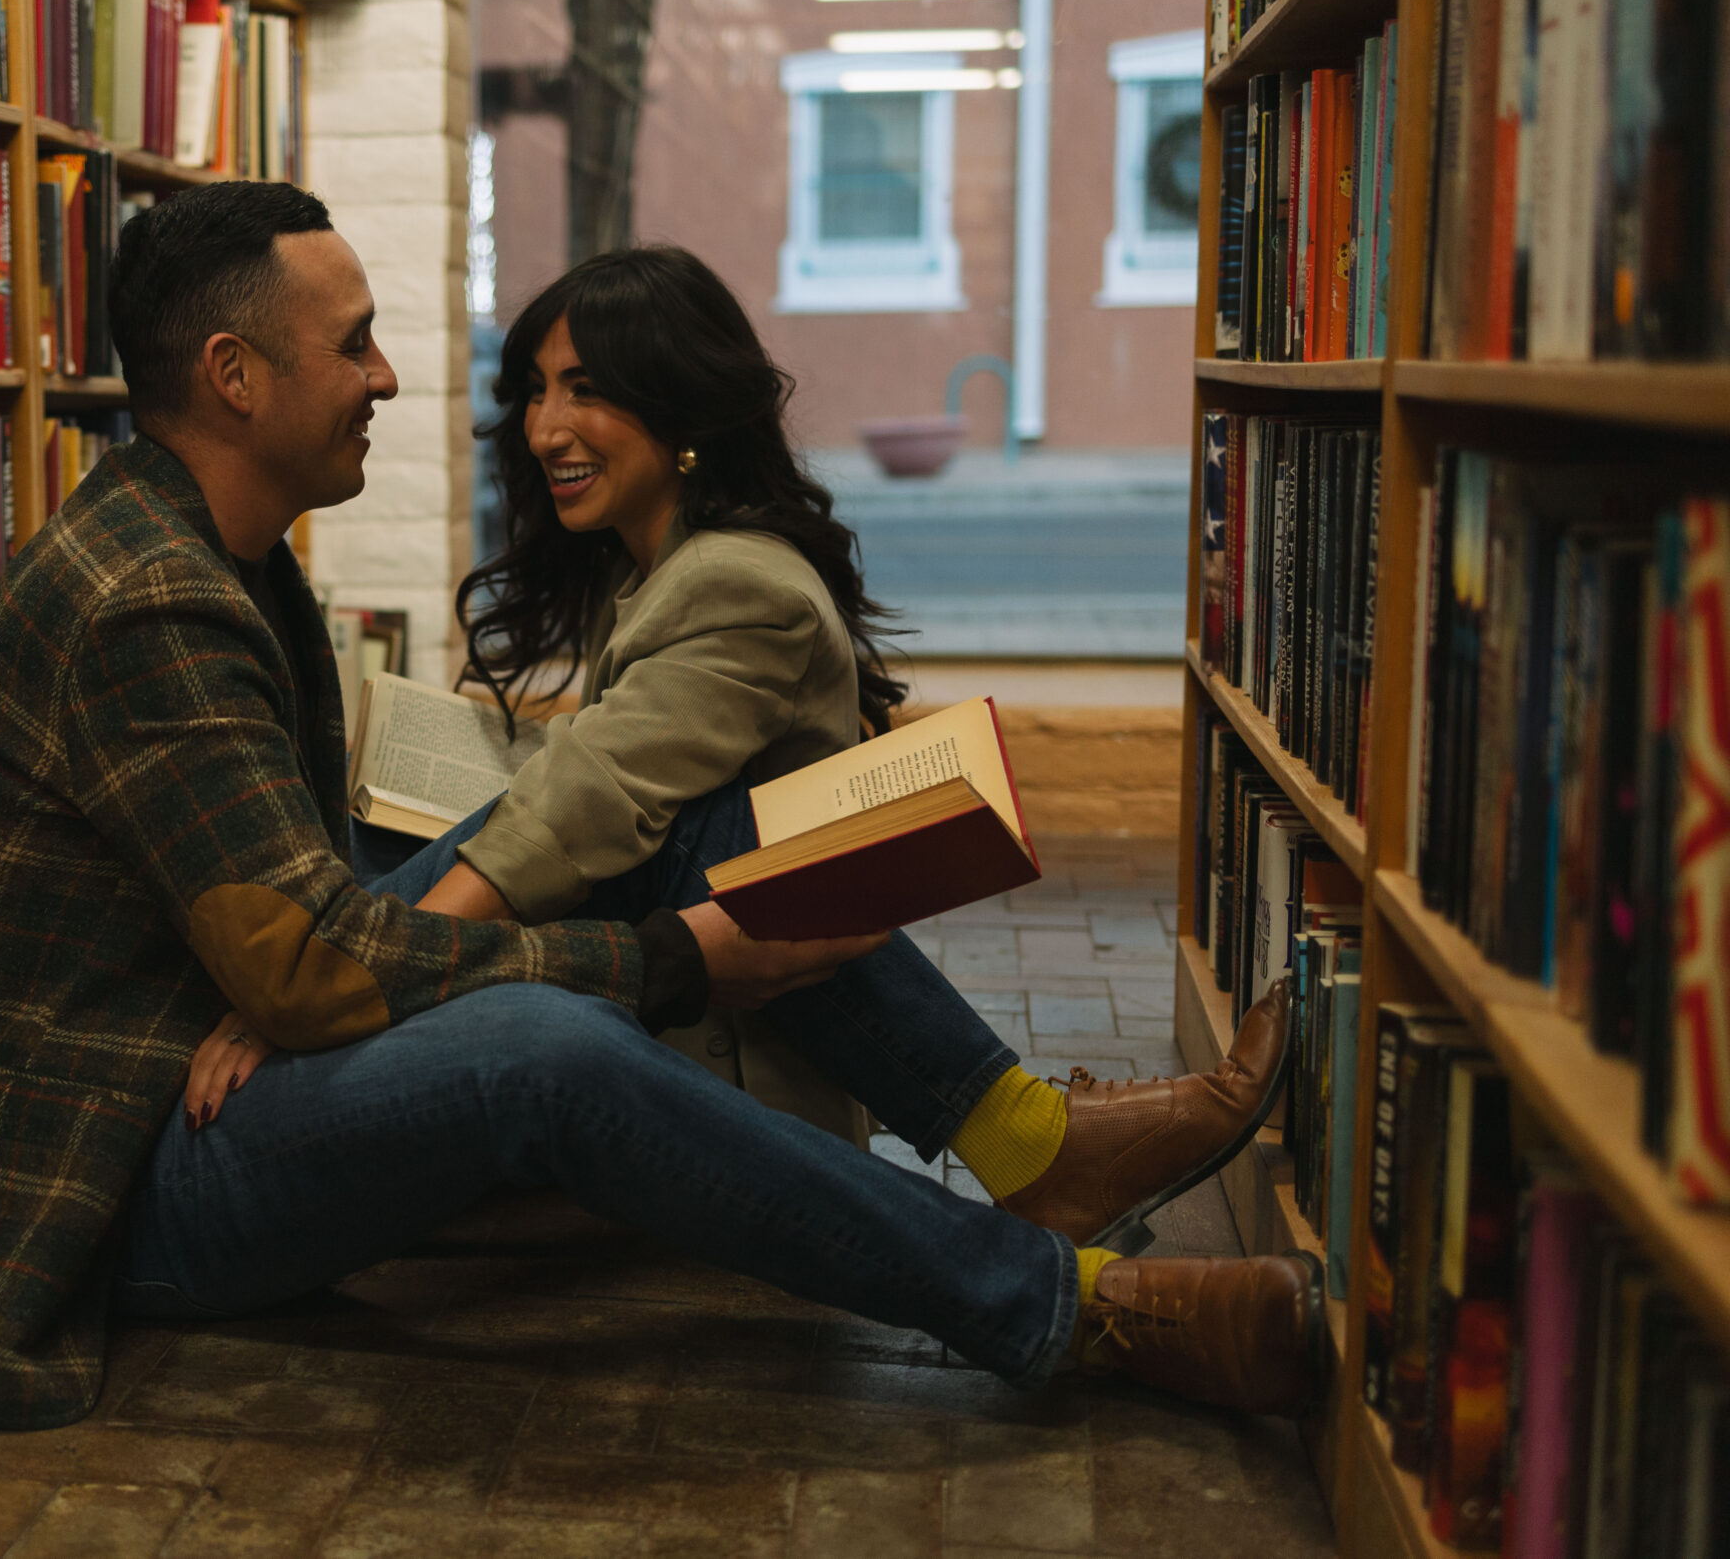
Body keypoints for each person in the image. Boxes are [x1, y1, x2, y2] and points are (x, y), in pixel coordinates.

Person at [0, 181, 1321, 1434]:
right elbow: (309, 962)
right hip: (105, 1183)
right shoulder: (153, 604)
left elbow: (303, 943)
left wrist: (306, 971)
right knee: (542, 1048)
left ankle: (1033, 1150)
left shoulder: (219, 555)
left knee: (672, 833)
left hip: (193, 1059)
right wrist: (666, 962)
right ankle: (1067, 1309)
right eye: (354, 341)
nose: (386, 377)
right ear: (237, 376)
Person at [182, 244, 1292, 1261]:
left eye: (590, 389)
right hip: (679, 1016)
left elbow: (594, 799)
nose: (545, 426)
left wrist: (332, 981)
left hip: (721, 1084)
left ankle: (1028, 1143)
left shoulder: (734, 582)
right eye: (534, 390)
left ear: (682, 409)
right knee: (393, 838)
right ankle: (1028, 1139)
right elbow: (601, 774)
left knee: (610, 835)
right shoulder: (655, 571)